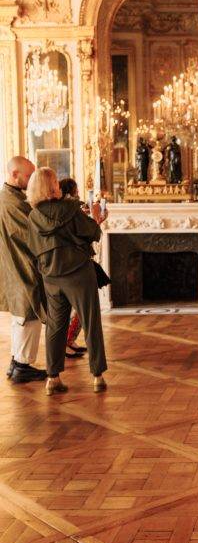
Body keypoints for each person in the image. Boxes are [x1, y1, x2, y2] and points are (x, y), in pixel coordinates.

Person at [26, 166, 108, 396]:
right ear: (53, 186)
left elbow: (32, 248)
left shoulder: (33, 216)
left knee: (55, 326)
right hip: (79, 273)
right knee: (91, 321)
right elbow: (93, 233)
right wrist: (96, 219)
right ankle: (97, 376)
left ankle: (52, 378)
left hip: (51, 277)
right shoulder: (71, 208)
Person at [0, 156, 46, 384]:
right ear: (14, 174)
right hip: (21, 265)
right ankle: (22, 366)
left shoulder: (12, 197)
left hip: (15, 265)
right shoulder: (13, 202)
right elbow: (32, 234)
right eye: (29, 176)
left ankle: (17, 362)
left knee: (22, 315)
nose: (32, 180)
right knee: (29, 313)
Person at [58, 177, 87, 359]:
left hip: (77, 261)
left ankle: (70, 340)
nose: (77, 193)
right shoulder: (67, 211)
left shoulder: (74, 208)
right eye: (75, 190)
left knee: (79, 308)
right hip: (69, 265)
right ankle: (65, 343)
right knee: (74, 307)